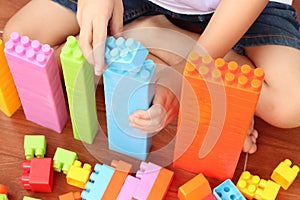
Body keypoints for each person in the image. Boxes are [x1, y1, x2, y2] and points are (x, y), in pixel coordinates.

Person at [3, 0, 300, 154]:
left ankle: (157, 35)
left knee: (291, 104)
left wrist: (184, 78)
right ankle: (153, 42)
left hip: (237, 13)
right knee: (20, 44)